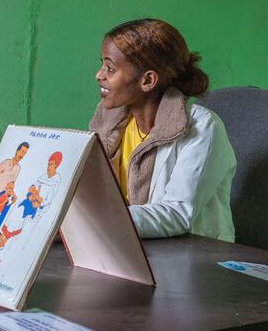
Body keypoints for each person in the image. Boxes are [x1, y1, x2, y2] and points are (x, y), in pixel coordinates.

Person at [88, 19, 237, 241]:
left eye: (110, 68)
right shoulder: (110, 123)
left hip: (188, 257)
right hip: (126, 245)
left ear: (148, 80)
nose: (99, 75)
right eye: (102, 65)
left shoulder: (203, 127)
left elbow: (177, 214)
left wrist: (93, 222)